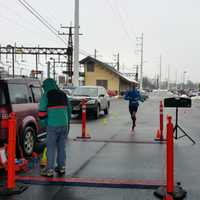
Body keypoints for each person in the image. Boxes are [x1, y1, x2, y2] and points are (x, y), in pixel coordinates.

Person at [38, 78, 71, 177]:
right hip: (64, 125)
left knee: (51, 148)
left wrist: (44, 123)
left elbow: (41, 111)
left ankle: (49, 170)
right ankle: (61, 167)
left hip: (52, 125)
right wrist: (67, 121)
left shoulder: (46, 95)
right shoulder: (63, 94)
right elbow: (69, 109)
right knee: (61, 147)